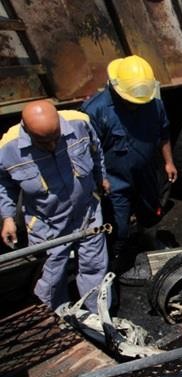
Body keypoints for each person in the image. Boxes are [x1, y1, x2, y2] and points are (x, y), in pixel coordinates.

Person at [0, 101, 109, 312]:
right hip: (47, 223)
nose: (51, 145)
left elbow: (96, 151)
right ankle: (57, 317)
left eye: (55, 138)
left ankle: (99, 317)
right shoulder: (7, 149)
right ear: (26, 130)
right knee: (51, 275)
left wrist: (101, 177)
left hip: (87, 212)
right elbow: (2, 185)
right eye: (43, 141)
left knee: (94, 267)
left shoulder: (80, 123)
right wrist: (8, 218)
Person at [82, 55, 177, 265]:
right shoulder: (95, 111)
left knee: (151, 212)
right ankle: (115, 261)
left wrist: (168, 162)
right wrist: (98, 180)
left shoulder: (154, 104)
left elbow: (163, 134)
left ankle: (147, 240)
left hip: (145, 173)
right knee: (118, 226)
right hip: (115, 182)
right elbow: (86, 153)